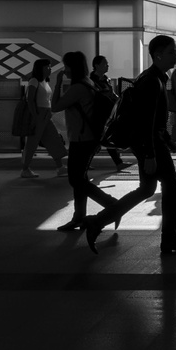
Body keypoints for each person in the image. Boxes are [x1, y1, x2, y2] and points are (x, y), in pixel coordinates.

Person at [83, 35, 176, 254]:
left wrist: (166, 141)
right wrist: (150, 154)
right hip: (149, 144)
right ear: (158, 55)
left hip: (150, 142)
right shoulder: (152, 81)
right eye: (172, 52)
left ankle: (97, 222)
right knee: (170, 186)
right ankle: (170, 239)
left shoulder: (154, 77)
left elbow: (153, 119)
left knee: (147, 188)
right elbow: (146, 122)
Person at [50, 52, 119, 231]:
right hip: (89, 137)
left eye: (66, 66)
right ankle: (79, 217)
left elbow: (55, 106)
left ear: (73, 67)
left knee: (76, 179)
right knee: (80, 178)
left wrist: (57, 83)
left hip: (81, 139)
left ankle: (111, 204)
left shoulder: (78, 88)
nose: (64, 70)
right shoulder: (88, 83)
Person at [20, 59, 68, 178]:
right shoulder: (34, 81)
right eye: (47, 67)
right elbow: (30, 100)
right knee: (32, 142)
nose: (50, 69)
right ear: (40, 68)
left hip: (46, 114)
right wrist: (35, 116)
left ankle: (60, 166)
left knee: (53, 138)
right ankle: (25, 168)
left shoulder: (44, 81)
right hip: (39, 114)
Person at [90, 55, 134, 172]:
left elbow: (112, 94)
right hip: (97, 114)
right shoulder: (91, 81)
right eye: (105, 64)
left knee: (103, 138)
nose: (108, 66)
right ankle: (117, 163)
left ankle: (118, 163)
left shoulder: (106, 79)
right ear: (96, 65)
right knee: (97, 139)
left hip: (107, 113)